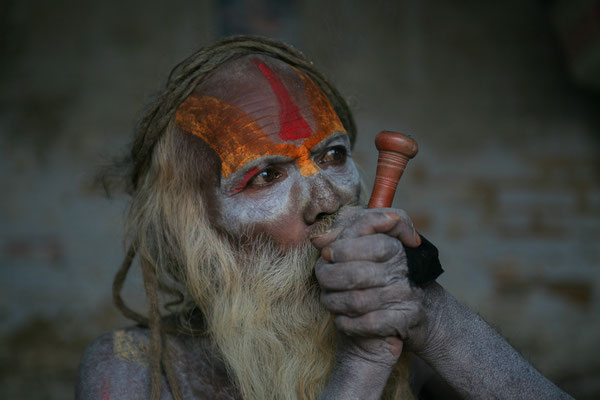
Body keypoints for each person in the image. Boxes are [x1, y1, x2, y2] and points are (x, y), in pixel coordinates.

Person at [76, 36, 571, 400]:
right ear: (187, 231)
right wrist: (361, 363)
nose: (326, 200)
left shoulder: (417, 356)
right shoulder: (134, 370)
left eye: (333, 155)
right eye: (266, 175)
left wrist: (432, 315)